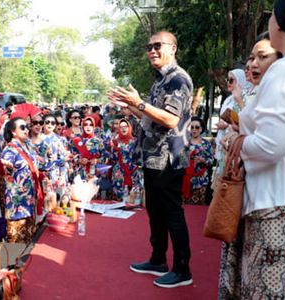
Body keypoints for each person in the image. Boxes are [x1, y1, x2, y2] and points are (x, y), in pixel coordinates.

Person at [109, 31, 193, 288]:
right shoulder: (160, 81)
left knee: (171, 213)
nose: (152, 51)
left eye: (158, 46)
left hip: (169, 157)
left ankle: (182, 269)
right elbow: (152, 117)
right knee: (155, 212)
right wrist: (131, 108)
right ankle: (158, 260)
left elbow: (170, 119)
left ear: (173, 48)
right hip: (152, 157)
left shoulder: (178, 80)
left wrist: (140, 104)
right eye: (149, 47)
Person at [219, 11, 285, 296]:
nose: (253, 64)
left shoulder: (284, 71)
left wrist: (238, 144)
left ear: (281, 22)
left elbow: (271, 146)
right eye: (251, 58)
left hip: (274, 204)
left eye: (262, 57)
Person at [0, 117, 39, 243]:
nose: (26, 130)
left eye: (27, 126)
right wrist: (5, 164)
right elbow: (4, 166)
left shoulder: (28, 145)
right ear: (13, 131)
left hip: (30, 201)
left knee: (29, 240)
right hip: (17, 204)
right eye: (22, 127)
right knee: (16, 243)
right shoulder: (10, 149)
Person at [182, 117, 213, 205]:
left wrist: (203, 160)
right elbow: (179, 161)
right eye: (192, 127)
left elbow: (211, 160)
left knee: (198, 210)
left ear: (201, 129)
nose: (194, 130)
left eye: (197, 127)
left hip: (201, 181)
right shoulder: (184, 142)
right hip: (186, 180)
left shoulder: (206, 144)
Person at [110, 119, 141, 200]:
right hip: (119, 171)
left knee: (135, 196)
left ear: (129, 128)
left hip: (134, 170)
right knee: (120, 197)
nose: (123, 129)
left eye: (125, 126)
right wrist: (113, 148)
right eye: (121, 127)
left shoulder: (135, 141)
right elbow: (113, 158)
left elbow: (139, 156)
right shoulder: (115, 141)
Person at [69, 116, 106, 181]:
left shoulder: (98, 141)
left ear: (94, 126)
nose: (88, 127)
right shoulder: (76, 140)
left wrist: (97, 160)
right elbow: (71, 157)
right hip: (80, 175)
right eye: (86, 124)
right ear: (82, 126)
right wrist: (79, 160)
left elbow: (105, 157)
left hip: (94, 174)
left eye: (91, 125)